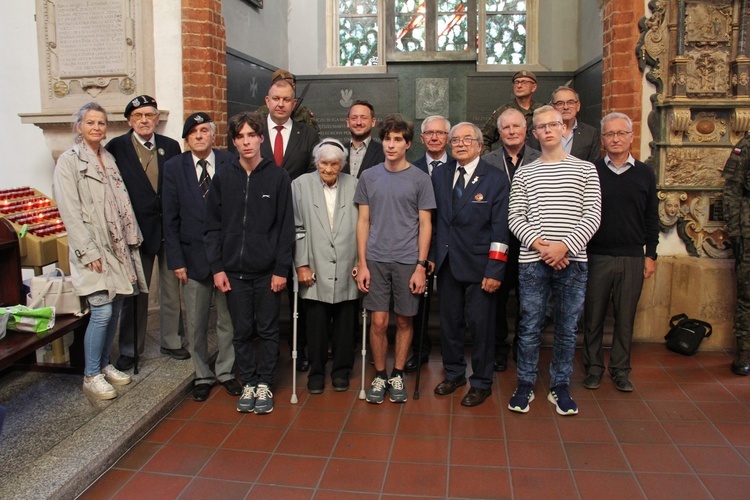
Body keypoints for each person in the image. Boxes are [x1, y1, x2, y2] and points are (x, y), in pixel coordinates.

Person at [507, 105, 601, 416]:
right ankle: (526, 383)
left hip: (573, 261)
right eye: (541, 126)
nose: (548, 130)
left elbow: (593, 216)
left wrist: (565, 247)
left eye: (554, 125)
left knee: (566, 326)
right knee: (530, 324)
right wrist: (541, 245)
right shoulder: (525, 172)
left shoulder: (586, 169)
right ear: (534, 133)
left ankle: (560, 386)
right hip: (532, 262)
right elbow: (515, 217)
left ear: (564, 129)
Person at [54, 102, 148, 399]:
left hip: (117, 245)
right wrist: (87, 251)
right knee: (101, 311)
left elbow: (121, 201)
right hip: (93, 249)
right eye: (91, 123)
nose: (97, 128)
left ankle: (105, 364)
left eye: (101, 123)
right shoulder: (69, 162)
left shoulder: (107, 157)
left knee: (117, 306)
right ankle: (91, 374)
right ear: (79, 126)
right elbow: (70, 210)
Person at [204, 111, 294, 415]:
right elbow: (212, 226)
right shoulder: (224, 176)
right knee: (241, 331)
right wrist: (217, 267)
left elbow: (285, 227)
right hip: (233, 272)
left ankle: (266, 383)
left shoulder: (278, 176)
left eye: (251, 135)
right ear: (234, 141)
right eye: (240, 136)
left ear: (260, 138)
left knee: (268, 330)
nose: (246, 142)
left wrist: (281, 269)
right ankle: (250, 382)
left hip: (268, 271)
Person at [354, 114, 435, 404]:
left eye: (397, 139)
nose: (391, 144)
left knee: (403, 320)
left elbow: (426, 224)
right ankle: (380, 374)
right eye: (387, 139)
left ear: (408, 144)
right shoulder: (369, 176)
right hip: (375, 259)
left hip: (406, 260)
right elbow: (363, 221)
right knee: (378, 322)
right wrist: (362, 263)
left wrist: (420, 266)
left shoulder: (420, 179)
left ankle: (398, 372)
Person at [162, 112, 242, 402]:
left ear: (213, 135)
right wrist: (176, 260)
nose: (199, 135)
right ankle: (202, 375)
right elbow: (169, 218)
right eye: (193, 131)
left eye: (204, 130)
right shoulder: (174, 167)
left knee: (227, 320)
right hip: (192, 259)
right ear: (186, 138)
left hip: (227, 259)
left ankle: (226, 371)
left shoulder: (229, 162)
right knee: (195, 322)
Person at [430, 122, 509, 407]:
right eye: (455, 140)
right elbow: (435, 221)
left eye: (467, 139)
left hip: (480, 267)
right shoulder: (440, 175)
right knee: (450, 324)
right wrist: (431, 258)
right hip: (448, 263)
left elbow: (501, 230)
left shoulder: (496, 179)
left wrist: (495, 269)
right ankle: (454, 374)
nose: (460, 144)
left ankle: (482, 382)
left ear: (479, 145)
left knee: (481, 326)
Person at [106, 95, 187, 371]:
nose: (144, 120)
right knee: (135, 294)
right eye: (138, 115)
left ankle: (172, 341)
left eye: (150, 115)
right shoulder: (116, 148)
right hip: (135, 233)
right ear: (129, 120)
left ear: (157, 119)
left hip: (168, 230)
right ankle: (130, 348)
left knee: (170, 289)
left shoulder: (170, 146)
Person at [583, 112, 659, 392]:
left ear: (631, 137)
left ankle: (620, 369)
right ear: (602, 139)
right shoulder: (591, 171)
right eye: (609, 134)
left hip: (631, 256)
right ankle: (592, 368)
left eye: (621, 133)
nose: (615, 139)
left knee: (625, 318)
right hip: (596, 255)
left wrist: (650, 254)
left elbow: (652, 217)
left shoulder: (645, 173)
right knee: (593, 317)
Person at [260, 77, 320, 372]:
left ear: (294, 104)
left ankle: (302, 348)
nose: (281, 103)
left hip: (298, 221)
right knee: (268, 292)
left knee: (301, 292)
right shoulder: (253, 132)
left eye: (287, 99)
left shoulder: (308, 134)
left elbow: (313, 174)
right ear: (267, 101)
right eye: (276, 98)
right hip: (262, 226)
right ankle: (268, 352)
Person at [292, 139, 360, 393]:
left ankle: (342, 371)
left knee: (345, 323)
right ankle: (316, 372)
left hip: (347, 264)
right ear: (316, 162)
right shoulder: (299, 185)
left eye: (334, 164)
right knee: (316, 324)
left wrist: (360, 262)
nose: (329, 169)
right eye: (323, 163)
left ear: (342, 165)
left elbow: (363, 226)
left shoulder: (355, 185)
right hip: (315, 266)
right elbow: (297, 227)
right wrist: (302, 264)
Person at [482, 108, 541, 372]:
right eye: (505, 127)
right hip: (497, 241)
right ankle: (497, 348)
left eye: (516, 126)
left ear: (526, 130)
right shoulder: (487, 161)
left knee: (528, 300)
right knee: (496, 299)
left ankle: (522, 344)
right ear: (499, 132)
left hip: (531, 242)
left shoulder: (541, 160)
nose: (511, 131)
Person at [405, 115, 454, 372]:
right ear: (421, 138)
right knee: (418, 304)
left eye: (440, 133)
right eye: (429, 133)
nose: (434, 137)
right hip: (417, 247)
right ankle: (420, 350)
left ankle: (450, 354)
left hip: (451, 248)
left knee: (449, 305)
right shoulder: (410, 169)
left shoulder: (459, 167)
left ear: (448, 137)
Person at [722, 131, 750, 375]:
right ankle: (745, 351)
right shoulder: (746, 147)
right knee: (747, 295)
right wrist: (736, 233)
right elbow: (731, 192)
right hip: (748, 232)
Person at [482, 70, 542, 154]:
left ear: (534, 87)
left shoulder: (541, 111)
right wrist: (491, 160)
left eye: (524, 82)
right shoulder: (503, 112)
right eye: (516, 82)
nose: (519, 86)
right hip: (508, 161)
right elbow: (483, 139)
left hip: (536, 161)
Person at [257, 69, 320, 133]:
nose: (280, 104)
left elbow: (313, 133)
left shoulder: (303, 111)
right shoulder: (262, 112)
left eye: (289, 84)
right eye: (276, 98)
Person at [549, 86, 601, 163]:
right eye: (560, 103)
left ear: (578, 106)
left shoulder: (591, 133)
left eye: (570, 102)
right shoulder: (542, 131)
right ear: (552, 107)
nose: (566, 107)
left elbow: (594, 164)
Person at [343, 100, 385, 178]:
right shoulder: (339, 151)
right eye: (354, 118)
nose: (358, 122)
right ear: (348, 122)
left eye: (364, 118)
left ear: (373, 122)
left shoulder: (384, 152)